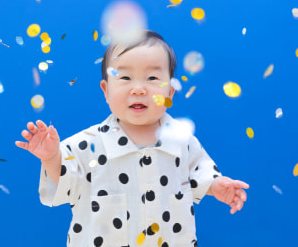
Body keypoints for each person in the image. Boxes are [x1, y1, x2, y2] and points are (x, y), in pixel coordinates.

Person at [16, 30, 249, 247]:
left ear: (169, 93)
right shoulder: (88, 144)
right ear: (106, 91)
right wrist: (51, 157)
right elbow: (64, 181)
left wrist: (217, 186)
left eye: (152, 78)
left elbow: (200, 172)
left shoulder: (182, 140)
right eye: (125, 77)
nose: (138, 89)